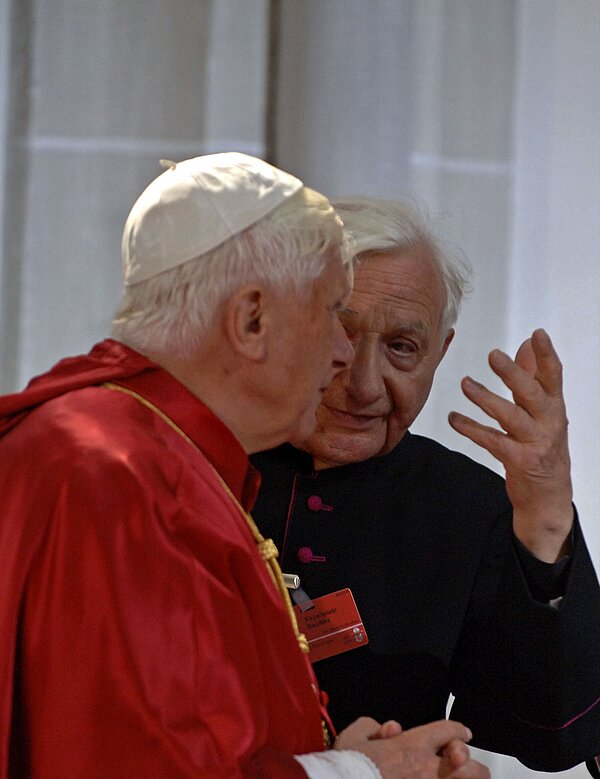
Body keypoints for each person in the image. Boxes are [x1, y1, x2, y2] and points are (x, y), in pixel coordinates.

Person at [0, 157, 490, 779]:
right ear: (252, 320)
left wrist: (347, 764)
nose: (346, 358)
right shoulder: (111, 475)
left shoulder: (151, 454)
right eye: (332, 315)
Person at [251, 196, 600, 773]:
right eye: (340, 335)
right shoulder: (188, 467)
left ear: (440, 353)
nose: (364, 385)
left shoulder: (466, 504)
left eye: (401, 348)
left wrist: (546, 521)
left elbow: (557, 734)